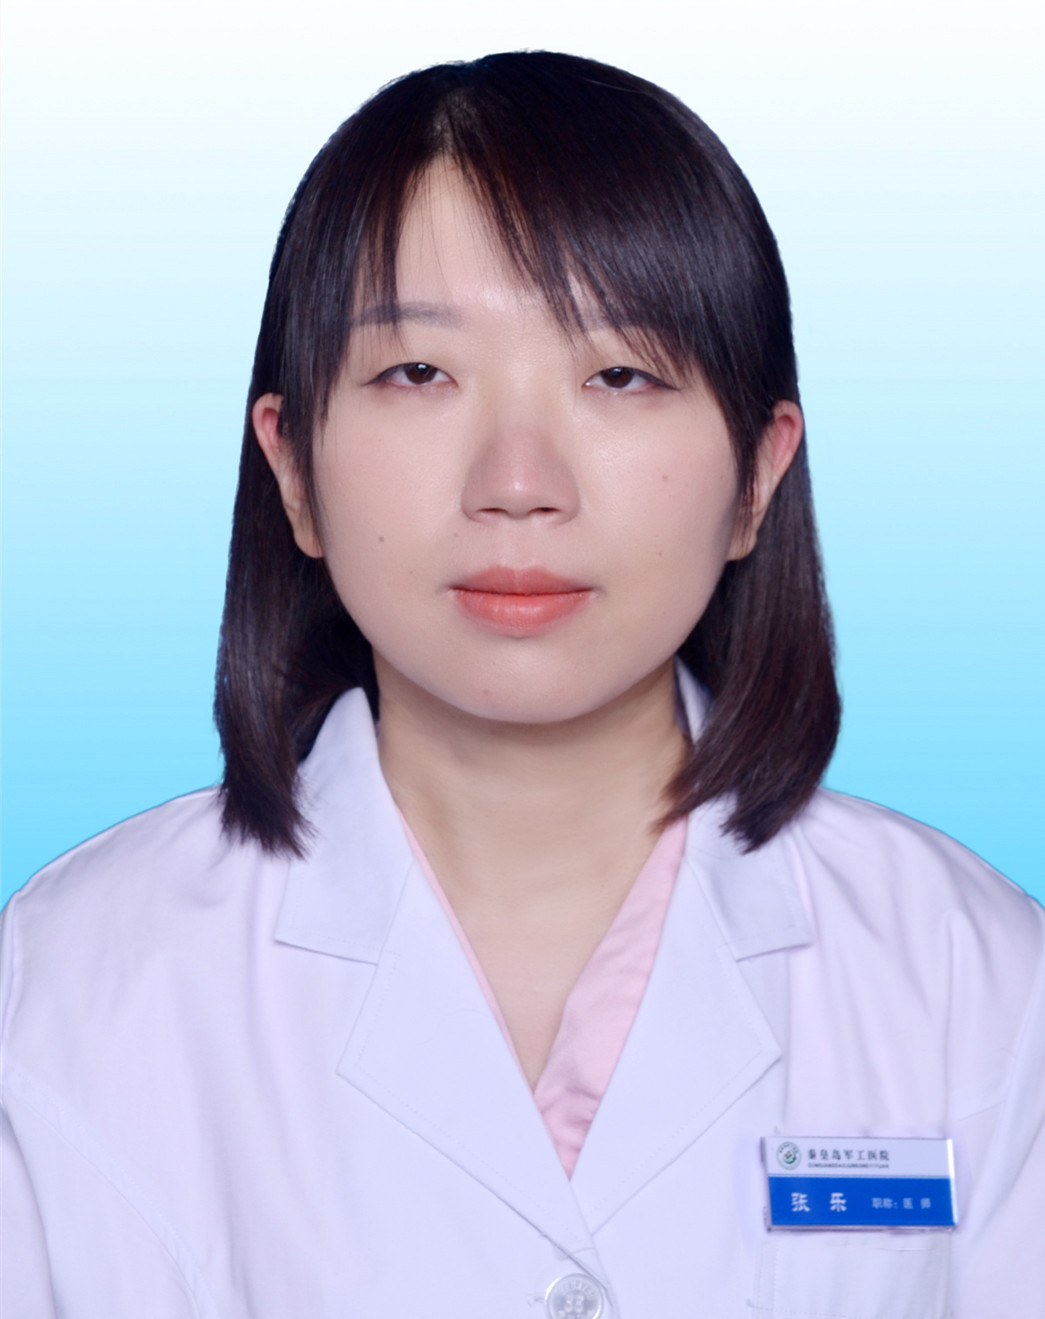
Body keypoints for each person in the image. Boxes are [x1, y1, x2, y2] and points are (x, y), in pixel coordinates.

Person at [1, 51, 1041, 1319]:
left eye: (619, 374)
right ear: (291, 468)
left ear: (757, 477)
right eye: (419, 374)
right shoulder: (68, 981)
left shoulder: (974, 977)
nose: (517, 481)